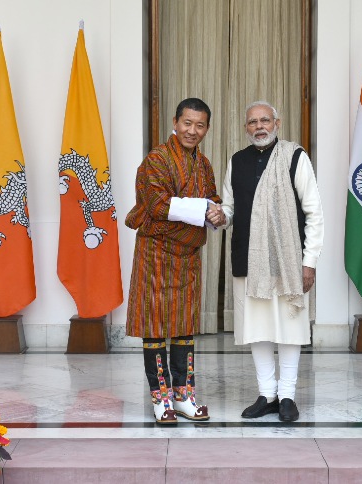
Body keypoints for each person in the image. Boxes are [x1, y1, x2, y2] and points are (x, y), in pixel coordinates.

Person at [217, 100, 324, 422]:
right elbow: (229, 208)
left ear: (277, 123)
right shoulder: (237, 160)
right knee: (258, 328)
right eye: (252, 122)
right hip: (248, 257)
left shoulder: (294, 157)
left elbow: (314, 212)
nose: (259, 127)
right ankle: (267, 394)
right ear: (245, 127)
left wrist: (310, 261)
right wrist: (218, 215)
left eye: (265, 120)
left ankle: (288, 395)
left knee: (289, 327)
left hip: (287, 260)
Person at [125, 98, 223, 424]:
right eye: (187, 123)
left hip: (188, 258)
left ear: (207, 128)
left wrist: (218, 211)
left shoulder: (204, 164)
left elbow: (213, 200)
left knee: (184, 328)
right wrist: (203, 209)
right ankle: (161, 399)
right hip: (156, 255)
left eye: (200, 125)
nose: (192, 131)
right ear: (175, 121)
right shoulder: (156, 160)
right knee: (154, 329)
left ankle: (184, 395)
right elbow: (158, 206)